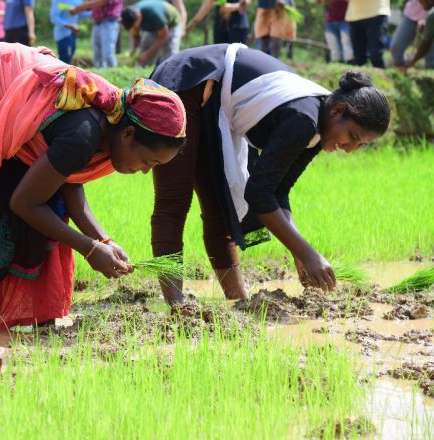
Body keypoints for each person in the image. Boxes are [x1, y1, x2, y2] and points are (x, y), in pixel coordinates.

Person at [0, 43, 186, 330]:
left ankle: (26, 319)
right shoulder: (84, 133)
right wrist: (89, 249)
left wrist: (104, 241)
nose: (144, 171)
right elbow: (25, 203)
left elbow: (68, 180)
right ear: (128, 134)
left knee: (48, 200)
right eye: (148, 161)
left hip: (8, 78)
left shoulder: (113, 116)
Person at [148, 44, 390, 304]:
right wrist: (306, 253)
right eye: (352, 136)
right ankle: (176, 306)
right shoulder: (303, 119)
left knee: (220, 208)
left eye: (360, 145)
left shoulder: (318, 127)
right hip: (188, 82)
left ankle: (238, 301)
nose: (350, 149)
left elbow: (278, 189)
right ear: (338, 110)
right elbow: (258, 194)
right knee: (173, 201)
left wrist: (298, 252)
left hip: (214, 101)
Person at [121, 1, 183, 66]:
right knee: (145, 47)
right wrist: (133, 51)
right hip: (154, 27)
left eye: (134, 27)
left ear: (138, 18)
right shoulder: (131, 15)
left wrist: (147, 54)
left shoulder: (154, 14)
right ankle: (141, 73)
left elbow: (164, 37)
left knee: (169, 55)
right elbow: (136, 37)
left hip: (172, 25)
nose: (133, 30)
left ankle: (168, 73)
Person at [71, 0, 123, 68]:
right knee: (97, 54)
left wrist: (80, 8)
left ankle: (114, 73)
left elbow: (102, 2)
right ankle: (101, 73)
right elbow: (91, 7)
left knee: (108, 53)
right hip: (97, 23)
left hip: (109, 22)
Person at [346, 0, 390, 68]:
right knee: (359, 58)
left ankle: (380, 75)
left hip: (376, 12)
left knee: (376, 56)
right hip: (354, 16)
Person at [392, 0, 434, 69]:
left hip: (430, 18)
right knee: (396, 46)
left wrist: (413, 61)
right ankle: (402, 70)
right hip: (411, 15)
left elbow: (426, 44)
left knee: (430, 51)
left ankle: (430, 70)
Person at [186, 0, 250, 45]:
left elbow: (246, 3)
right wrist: (193, 22)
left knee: (238, 59)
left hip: (238, 27)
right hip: (220, 27)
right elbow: (207, 5)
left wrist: (231, 7)